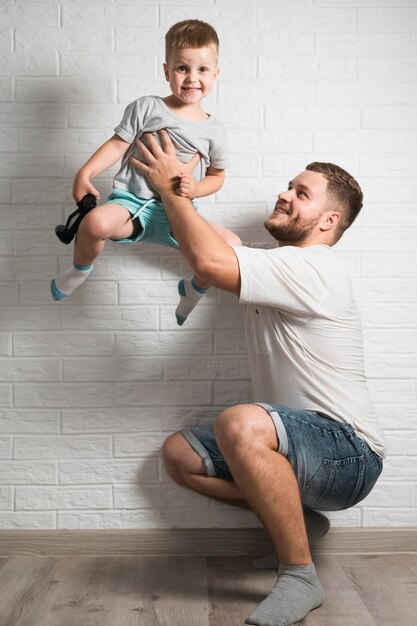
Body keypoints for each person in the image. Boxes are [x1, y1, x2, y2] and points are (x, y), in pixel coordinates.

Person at [130, 130, 386, 626]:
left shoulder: (315, 267)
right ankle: (301, 521)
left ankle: (299, 577)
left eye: (301, 193)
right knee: (181, 455)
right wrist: (175, 196)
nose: (284, 194)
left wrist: (168, 191)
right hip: (302, 452)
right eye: (288, 185)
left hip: (350, 454)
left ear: (328, 221)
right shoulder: (277, 264)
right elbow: (214, 243)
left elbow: (209, 259)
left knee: (240, 423)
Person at [51, 19, 240, 325]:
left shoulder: (215, 130)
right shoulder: (146, 108)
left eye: (202, 70)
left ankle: (192, 290)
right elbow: (116, 145)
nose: (192, 78)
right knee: (95, 222)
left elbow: (217, 176)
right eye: (182, 68)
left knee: (232, 247)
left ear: (215, 74)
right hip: (130, 205)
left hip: (180, 215)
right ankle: (78, 270)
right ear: (167, 71)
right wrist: (84, 173)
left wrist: (196, 188)